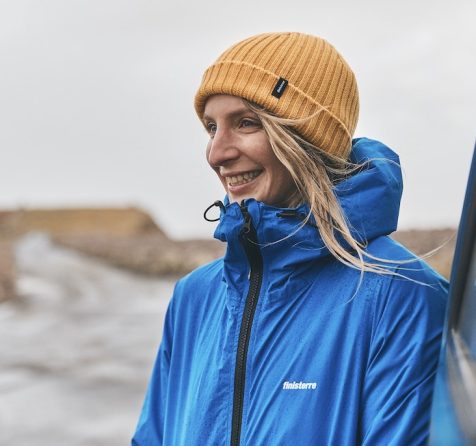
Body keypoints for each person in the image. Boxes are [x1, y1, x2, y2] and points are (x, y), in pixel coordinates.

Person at [132, 32, 448, 445]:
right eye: (212, 127)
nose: (216, 153)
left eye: (246, 123)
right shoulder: (194, 297)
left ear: (307, 138)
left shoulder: (401, 296)